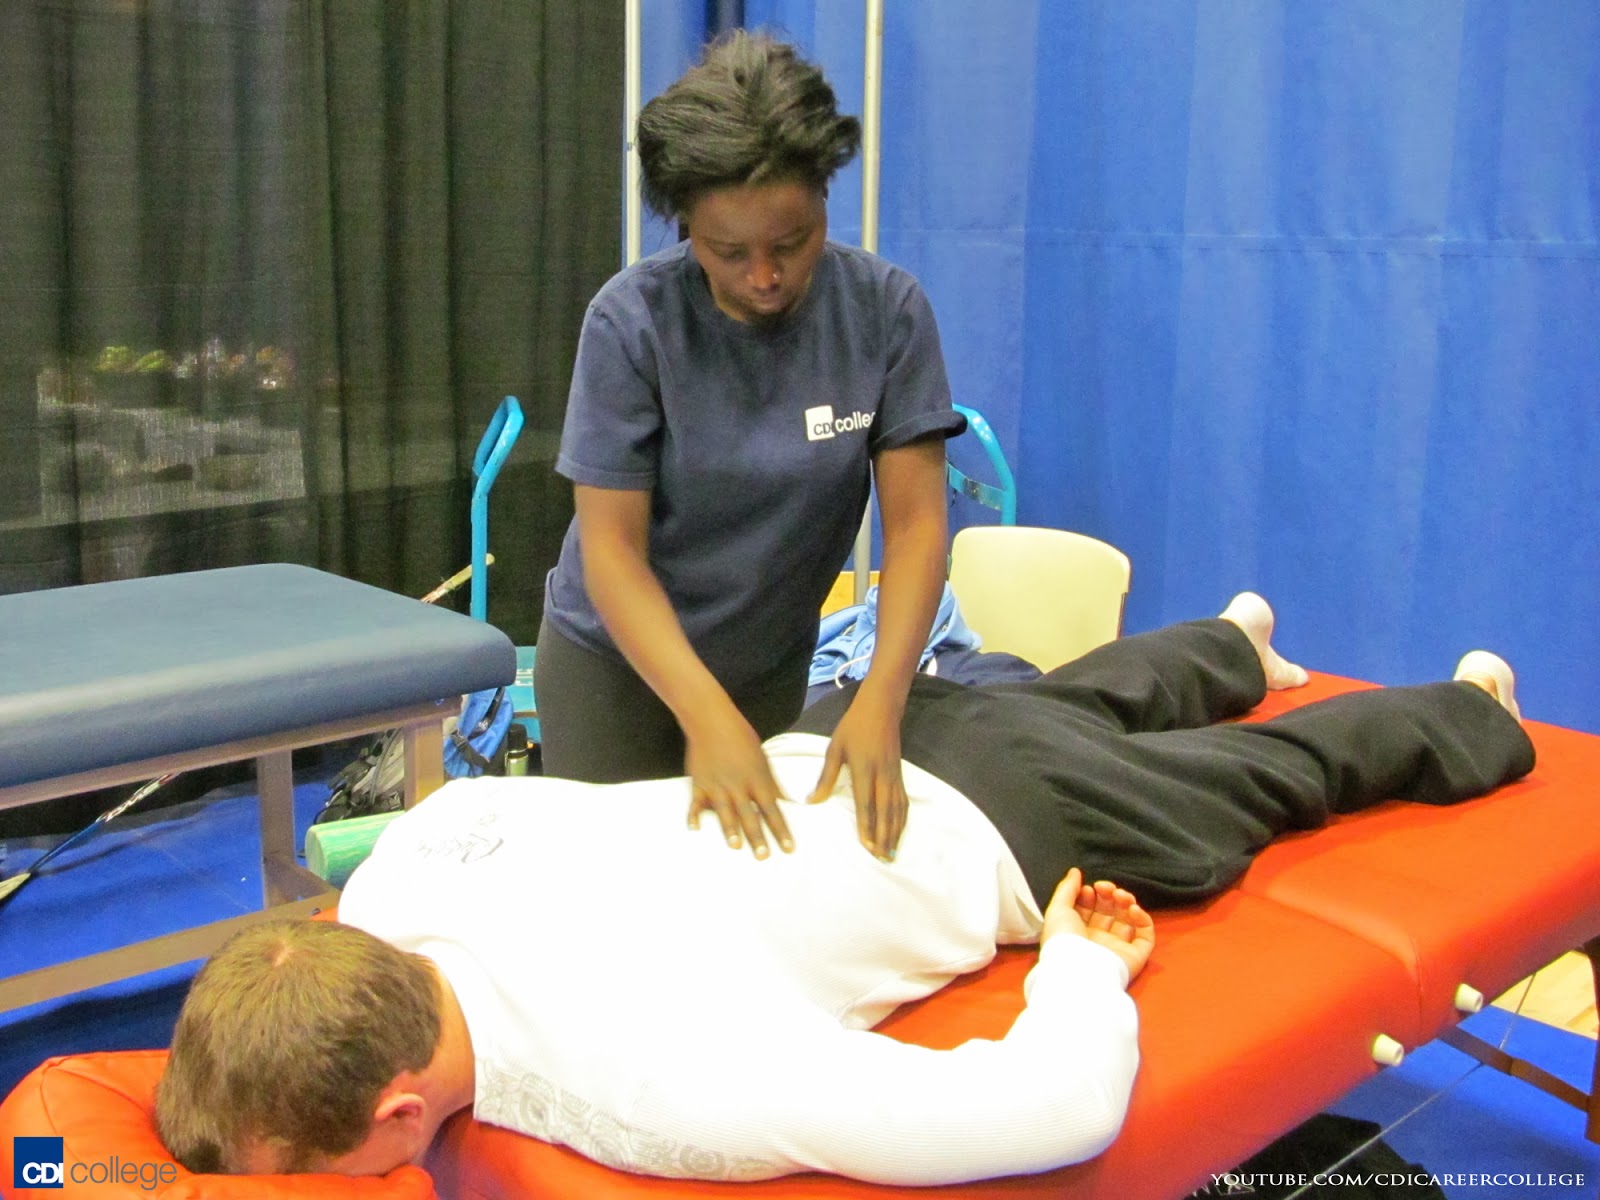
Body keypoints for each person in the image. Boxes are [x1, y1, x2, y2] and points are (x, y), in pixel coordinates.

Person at [155, 594, 1534, 1186]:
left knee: (1271, 781)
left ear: (401, 1116)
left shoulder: (663, 1085)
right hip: (842, 733)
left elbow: (1055, 1110)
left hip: (1003, 820)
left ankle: (1475, 713)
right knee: (1071, 697)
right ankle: (1235, 643)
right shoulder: (400, 876)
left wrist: (1081, 967)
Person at [535, 30, 964, 864]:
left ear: (825, 201)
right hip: (614, 672)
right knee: (620, 894)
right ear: (685, 225)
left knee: (753, 894)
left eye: (792, 243)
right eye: (729, 252)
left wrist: (882, 697)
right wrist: (704, 716)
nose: (764, 276)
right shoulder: (631, 323)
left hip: (767, 664)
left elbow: (916, 527)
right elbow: (611, 552)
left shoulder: (887, 314)